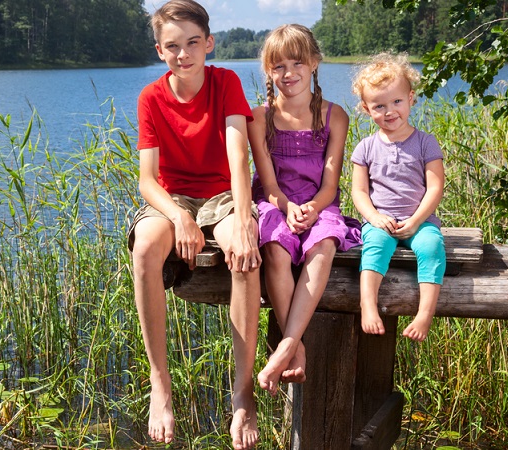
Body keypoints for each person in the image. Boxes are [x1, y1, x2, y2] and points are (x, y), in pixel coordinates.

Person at [128, 0, 262, 447]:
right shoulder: (151, 97)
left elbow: (237, 156)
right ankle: (160, 384)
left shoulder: (225, 81)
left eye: (191, 43)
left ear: (209, 43)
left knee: (244, 258)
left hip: (223, 194)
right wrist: (178, 215)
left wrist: (244, 219)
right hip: (174, 198)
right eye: (171, 46)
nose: (182, 54)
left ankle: (243, 394)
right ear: (159, 50)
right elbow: (148, 180)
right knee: (145, 247)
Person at [247, 24, 361, 396]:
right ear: (268, 71)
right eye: (278, 66)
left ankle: (285, 346)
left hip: (319, 202)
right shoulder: (259, 118)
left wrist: (311, 208)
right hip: (275, 200)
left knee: (324, 244)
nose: (288, 73)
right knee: (277, 249)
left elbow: (330, 185)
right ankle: (296, 350)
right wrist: (288, 207)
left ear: (314, 63)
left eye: (297, 63)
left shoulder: (335, 116)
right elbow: (269, 184)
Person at [351, 52, 446, 342]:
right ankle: (368, 305)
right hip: (381, 222)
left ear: (411, 98)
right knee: (375, 247)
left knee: (432, 247)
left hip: (420, 220)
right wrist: (375, 218)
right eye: (379, 106)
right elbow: (359, 191)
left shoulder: (425, 142)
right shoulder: (365, 147)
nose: (389, 111)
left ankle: (424, 314)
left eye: (397, 102)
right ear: (367, 109)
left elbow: (435, 187)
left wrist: (417, 222)